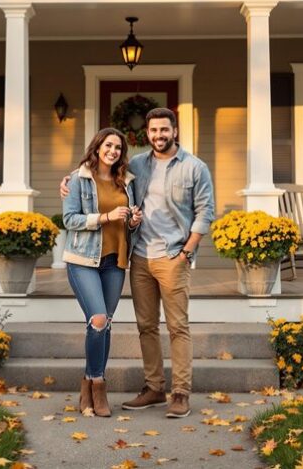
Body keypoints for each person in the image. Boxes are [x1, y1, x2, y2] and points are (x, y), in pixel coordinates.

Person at [61, 108, 215, 418]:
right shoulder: (136, 167)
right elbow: (95, 177)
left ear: (175, 131)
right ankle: (154, 387)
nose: (159, 135)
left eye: (164, 130)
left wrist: (187, 252)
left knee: (177, 327)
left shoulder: (195, 168)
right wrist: (68, 180)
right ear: (147, 134)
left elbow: (205, 212)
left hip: (173, 256)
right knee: (146, 326)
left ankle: (181, 393)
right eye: (154, 131)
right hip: (140, 257)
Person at [62, 127, 142, 417]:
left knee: (105, 323)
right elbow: (69, 219)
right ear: (97, 148)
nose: (113, 151)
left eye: (118, 148)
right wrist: (105, 217)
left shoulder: (126, 181)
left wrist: (133, 221)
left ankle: (88, 387)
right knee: (97, 320)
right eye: (108, 145)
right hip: (83, 260)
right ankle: (98, 384)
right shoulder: (78, 179)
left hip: (115, 261)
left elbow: (129, 225)